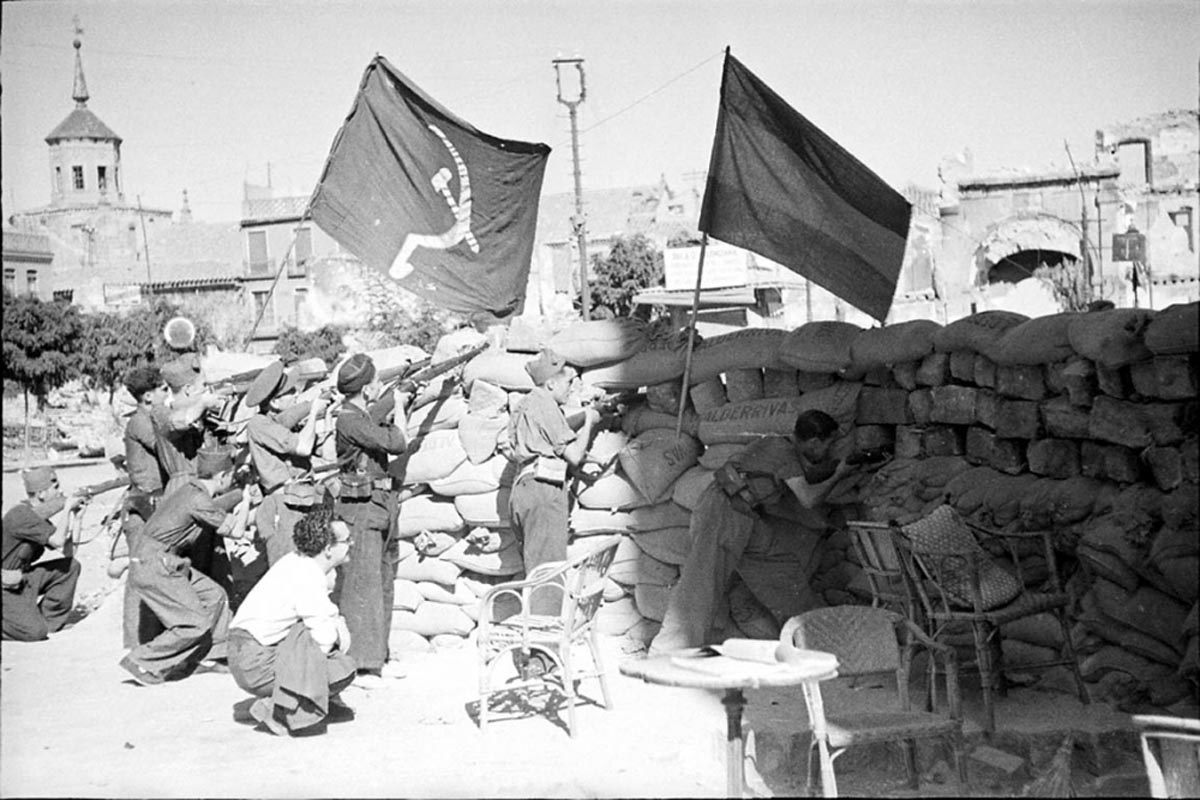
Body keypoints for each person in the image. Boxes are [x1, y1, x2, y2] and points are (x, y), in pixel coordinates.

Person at [648, 410, 858, 655]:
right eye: (828, 444)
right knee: (701, 584)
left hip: (745, 515)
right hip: (723, 511)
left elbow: (801, 477)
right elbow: (808, 498)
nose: (829, 451)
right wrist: (841, 474)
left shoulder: (782, 450)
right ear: (813, 442)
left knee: (783, 571)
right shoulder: (782, 450)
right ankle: (665, 653)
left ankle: (813, 638)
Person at [119, 446, 251, 685]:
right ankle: (142, 660)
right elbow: (237, 530)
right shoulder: (198, 499)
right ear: (221, 476)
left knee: (215, 596)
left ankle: (210, 656)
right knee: (193, 623)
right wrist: (247, 499)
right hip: (156, 564)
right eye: (230, 476)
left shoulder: (189, 491)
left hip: (165, 560)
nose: (231, 480)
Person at [227, 506, 357, 736]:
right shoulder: (308, 576)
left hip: (243, 653)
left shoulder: (296, 561)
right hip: (255, 662)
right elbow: (324, 641)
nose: (352, 544)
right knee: (341, 668)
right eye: (347, 540)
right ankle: (278, 709)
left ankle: (308, 703)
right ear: (328, 549)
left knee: (311, 634)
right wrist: (340, 631)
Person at [331, 353, 409, 688]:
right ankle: (361, 666)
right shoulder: (349, 419)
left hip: (378, 504)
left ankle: (378, 656)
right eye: (375, 381)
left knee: (383, 583)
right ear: (365, 388)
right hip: (360, 507)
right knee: (363, 586)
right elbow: (397, 443)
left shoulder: (362, 415)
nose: (379, 386)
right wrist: (401, 406)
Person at [505, 349, 600, 610]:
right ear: (551, 383)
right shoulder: (545, 405)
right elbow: (574, 454)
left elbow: (538, 448)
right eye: (568, 383)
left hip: (525, 488)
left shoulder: (526, 403)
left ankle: (536, 641)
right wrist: (590, 418)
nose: (572, 388)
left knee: (536, 570)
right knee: (547, 574)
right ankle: (541, 647)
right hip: (543, 492)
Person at [243, 360, 328, 566]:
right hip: (285, 506)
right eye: (290, 392)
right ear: (275, 403)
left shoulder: (272, 422)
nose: (295, 395)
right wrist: (314, 412)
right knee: (288, 567)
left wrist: (317, 402)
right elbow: (303, 447)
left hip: (300, 500)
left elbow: (289, 416)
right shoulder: (259, 424)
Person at [117, 365, 169, 648]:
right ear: (148, 396)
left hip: (153, 503)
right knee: (140, 573)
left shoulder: (147, 418)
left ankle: (151, 640)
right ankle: (136, 645)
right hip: (143, 506)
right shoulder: (140, 422)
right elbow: (165, 445)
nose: (167, 395)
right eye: (163, 390)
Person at [2, 467, 85, 641]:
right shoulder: (20, 515)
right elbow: (57, 541)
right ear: (41, 494)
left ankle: (49, 621)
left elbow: (69, 553)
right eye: (55, 488)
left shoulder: (36, 517)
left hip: (22, 579)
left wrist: (77, 518)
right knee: (34, 633)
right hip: (5, 585)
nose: (60, 491)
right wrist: (67, 507)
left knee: (70, 567)